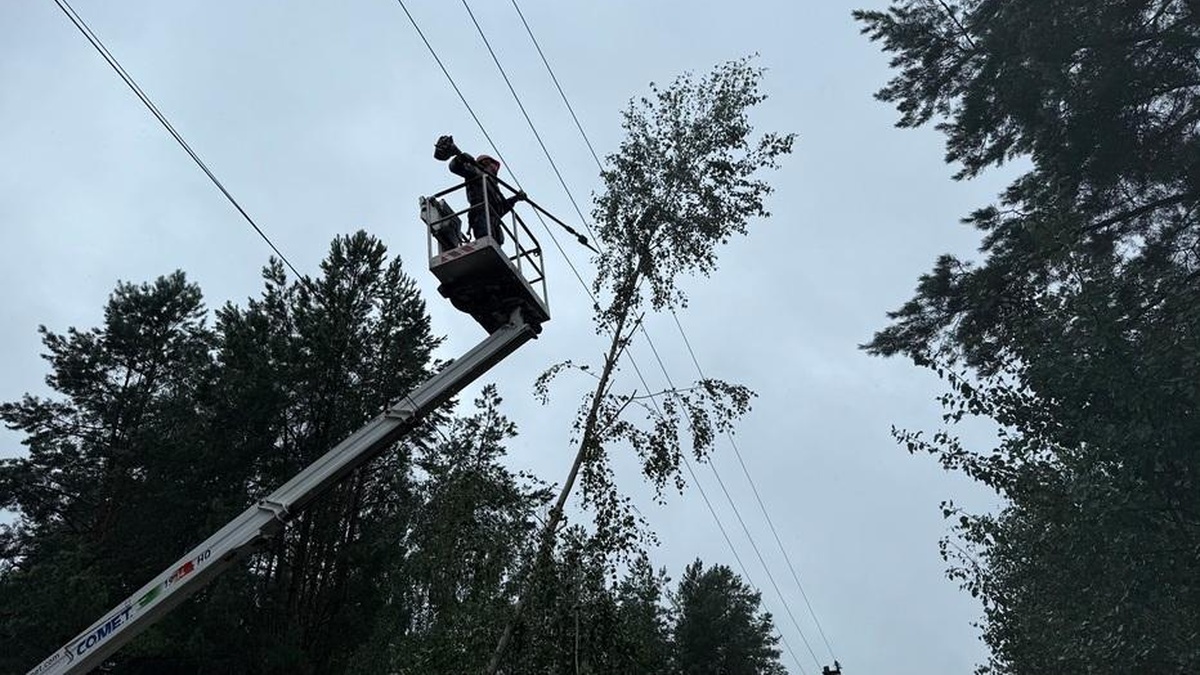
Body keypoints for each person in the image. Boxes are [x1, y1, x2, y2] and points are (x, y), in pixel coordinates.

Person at [438, 136, 525, 245]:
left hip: (494, 222)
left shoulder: (495, 188)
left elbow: (500, 208)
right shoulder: (475, 172)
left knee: (495, 243)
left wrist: (516, 198)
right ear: (486, 163)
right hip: (481, 215)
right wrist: (460, 158)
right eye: (493, 165)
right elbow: (455, 167)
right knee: (485, 241)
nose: (495, 169)